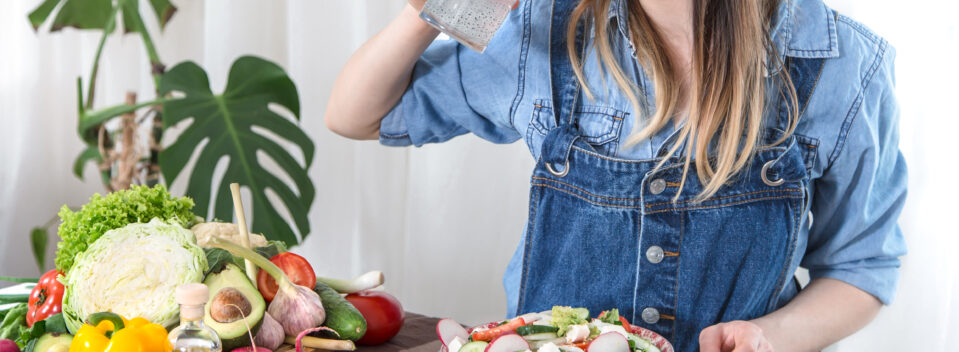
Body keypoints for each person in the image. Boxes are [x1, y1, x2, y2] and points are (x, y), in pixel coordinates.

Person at [325, 0, 907, 350]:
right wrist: (433, 8)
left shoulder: (842, 65)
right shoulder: (545, 33)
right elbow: (356, 115)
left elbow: (861, 267)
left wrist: (773, 337)